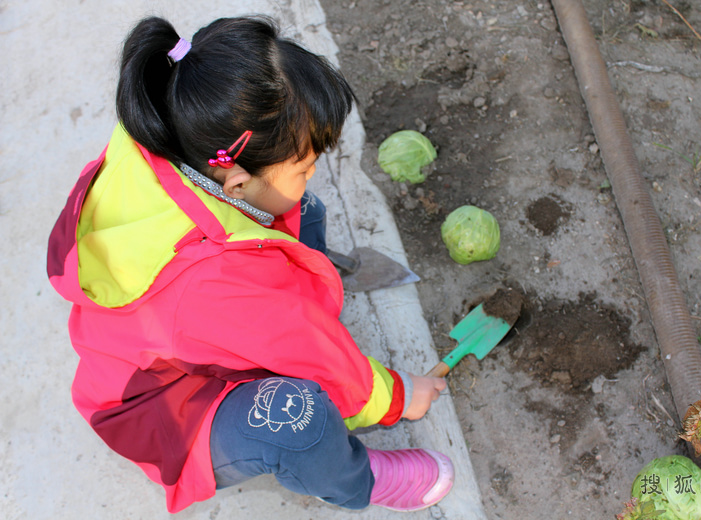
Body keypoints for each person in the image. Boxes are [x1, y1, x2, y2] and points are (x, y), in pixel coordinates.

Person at [47, 15, 452, 514]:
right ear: (235, 182)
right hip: (165, 409)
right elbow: (310, 354)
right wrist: (396, 396)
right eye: (305, 167)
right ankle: (356, 480)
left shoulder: (167, 128)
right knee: (297, 418)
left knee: (303, 208)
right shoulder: (215, 281)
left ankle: (304, 292)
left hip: (173, 331)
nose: (313, 172)